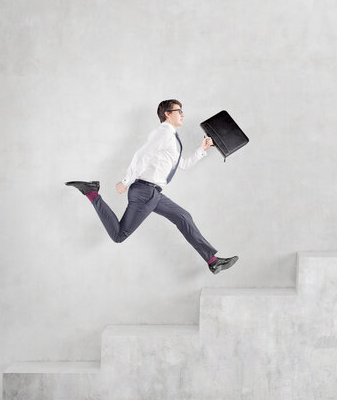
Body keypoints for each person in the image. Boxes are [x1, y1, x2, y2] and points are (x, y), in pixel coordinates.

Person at [65, 99, 238, 274]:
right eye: (179, 110)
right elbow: (141, 155)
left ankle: (213, 261)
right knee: (119, 235)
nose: (183, 114)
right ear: (167, 114)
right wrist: (126, 181)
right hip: (145, 192)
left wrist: (202, 149)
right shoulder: (163, 133)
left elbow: (183, 164)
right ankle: (92, 193)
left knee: (183, 217)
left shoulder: (172, 138)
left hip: (153, 194)